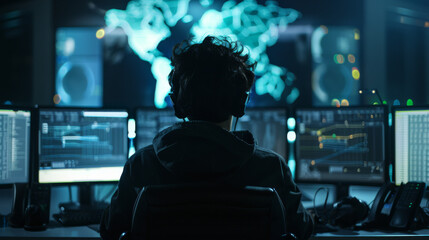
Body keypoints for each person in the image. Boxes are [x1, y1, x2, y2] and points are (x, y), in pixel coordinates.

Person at [100, 36, 314, 240]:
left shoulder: (140, 166)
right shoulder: (271, 169)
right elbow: (302, 230)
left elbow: (111, 231)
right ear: (241, 102)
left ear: (176, 102)